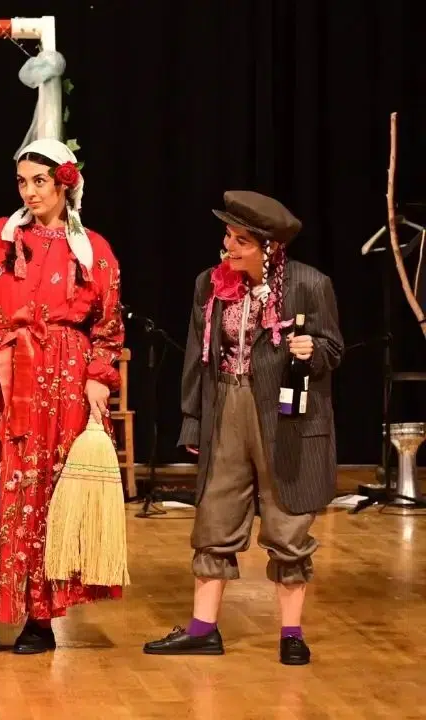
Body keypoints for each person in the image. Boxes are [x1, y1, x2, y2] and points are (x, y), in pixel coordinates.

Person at [0, 138, 125, 653]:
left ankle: (39, 622)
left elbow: (108, 324)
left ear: (64, 184)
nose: (29, 191)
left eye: (39, 181)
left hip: (60, 383)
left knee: (42, 494)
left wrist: (97, 376)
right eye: (22, 181)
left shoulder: (92, 250)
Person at [143, 191, 342, 666]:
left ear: (269, 247)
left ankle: (291, 634)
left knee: (287, 521)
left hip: (284, 416)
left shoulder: (309, 284)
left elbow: (333, 348)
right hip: (227, 405)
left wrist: (312, 350)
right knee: (215, 515)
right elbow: (197, 358)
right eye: (228, 236)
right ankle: (202, 629)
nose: (228, 247)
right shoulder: (210, 284)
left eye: (241, 241)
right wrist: (194, 421)